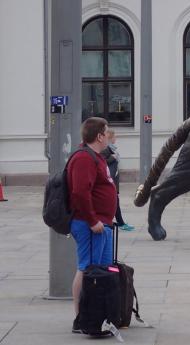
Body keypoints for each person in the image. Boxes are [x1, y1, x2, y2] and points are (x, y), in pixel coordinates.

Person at [68, 117, 117, 333]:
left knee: (101, 271)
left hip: (102, 224)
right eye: (106, 133)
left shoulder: (97, 157)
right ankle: (81, 318)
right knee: (86, 270)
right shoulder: (84, 158)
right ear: (99, 136)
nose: (108, 136)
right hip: (89, 225)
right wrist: (93, 220)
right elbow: (79, 193)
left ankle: (98, 314)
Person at [100, 128, 135, 231]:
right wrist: (113, 158)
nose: (116, 138)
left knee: (115, 202)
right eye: (114, 136)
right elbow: (102, 161)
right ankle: (118, 223)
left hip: (113, 181)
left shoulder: (111, 149)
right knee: (114, 203)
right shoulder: (106, 150)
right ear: (110, 138)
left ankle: (116, 222)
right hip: (110, 181)